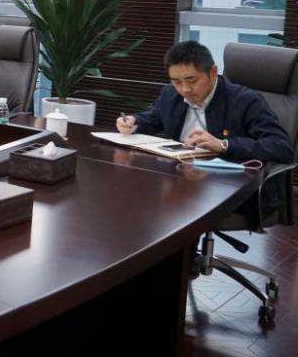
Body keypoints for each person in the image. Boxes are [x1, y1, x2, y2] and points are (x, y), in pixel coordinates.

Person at [118, 40, 293, 223]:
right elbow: (151, 117)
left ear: (213, 72)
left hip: (231, 187)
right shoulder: (171, 94)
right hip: (182, 179)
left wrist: (224, 145)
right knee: (136, 195)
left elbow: (281, 147)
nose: (185, 89)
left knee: (168, 207)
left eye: (191, 80)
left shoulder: (245, 101)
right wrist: (133, 122)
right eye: (176, 82)